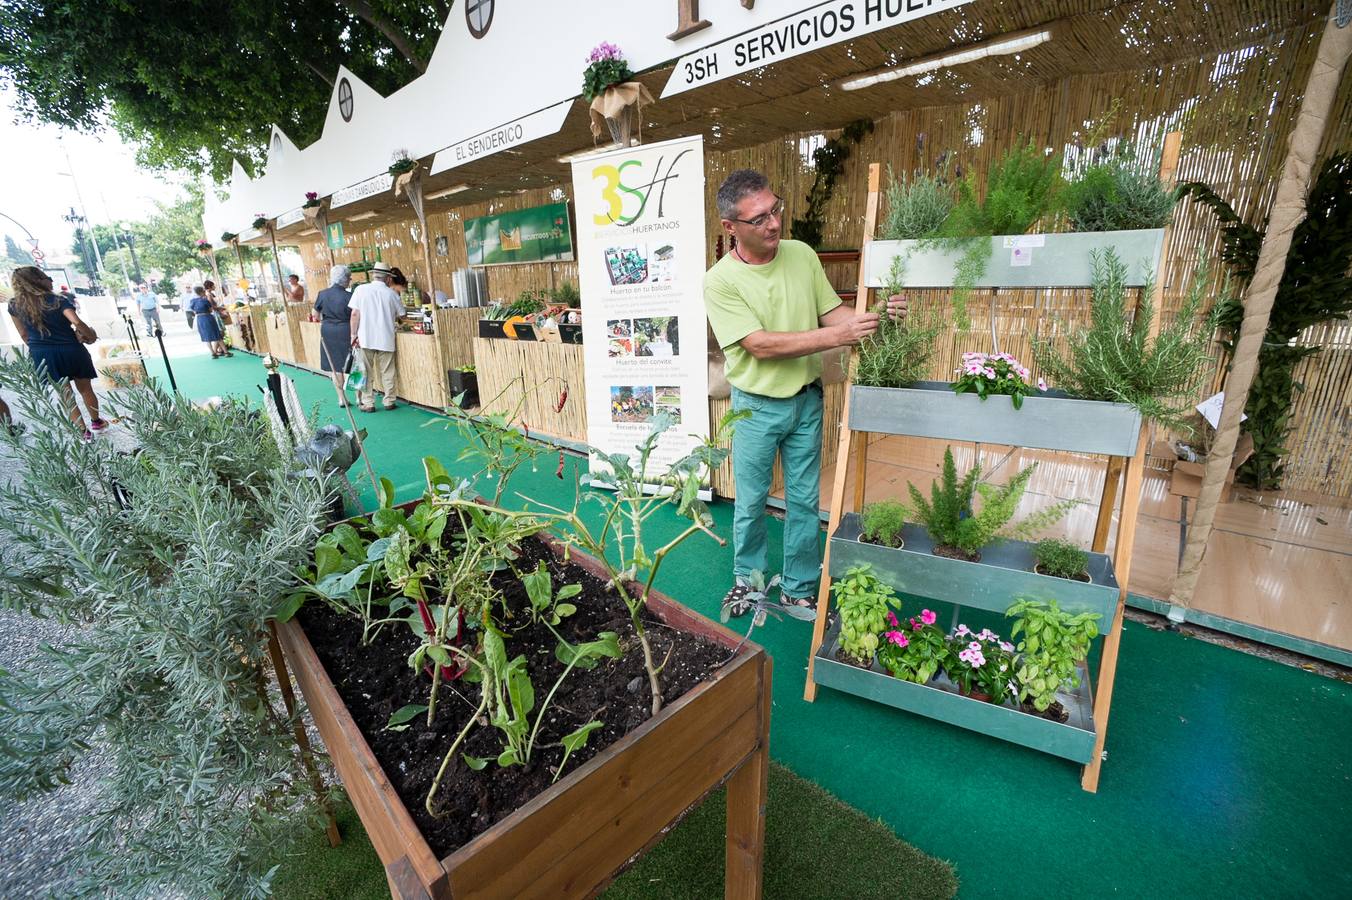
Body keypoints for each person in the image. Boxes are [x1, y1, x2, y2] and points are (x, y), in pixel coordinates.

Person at [704, 169, 906, 615]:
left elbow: (833, 313)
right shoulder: (719, 281)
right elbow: (760, 345)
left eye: (776, 209)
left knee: (803, 500)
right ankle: (750, 582)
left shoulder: (800, 255)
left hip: (807, 401)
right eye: (759, 219)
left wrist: (877, 317)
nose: (774, 223)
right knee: (752, 500)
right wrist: (839, 336)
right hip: (755, 406)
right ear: (731, 227)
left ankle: (799, 584)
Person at [7, 266, 108, 440]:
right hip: (71, 350)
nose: (51, 280)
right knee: (85, 389)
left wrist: (39, 348)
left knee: (65, 394)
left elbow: (23, 334)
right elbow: (75, 321)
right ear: (37, 280)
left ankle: (83, 433)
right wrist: (90, 336)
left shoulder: (14, 305)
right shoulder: (57, 300)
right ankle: (96, 421)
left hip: (43, 354)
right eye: (46, 277)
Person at [348, 261, 403, 412]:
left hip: (366, 337)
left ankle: (368, 403)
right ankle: (389, 401)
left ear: (373, 275)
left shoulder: (360, 290)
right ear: (388, 278)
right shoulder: (392, 294)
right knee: (388, 371)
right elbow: (401, 315)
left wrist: (353, 334)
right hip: (386, 337)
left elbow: (354, 314)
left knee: (365, 370)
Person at [314, 265, 354, 403]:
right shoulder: (349, 296)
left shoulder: (322, 294)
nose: (350, 280)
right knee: (351, 363)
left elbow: (316, 315)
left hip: (328, 330)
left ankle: (341, 398)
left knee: (335, 365)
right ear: (345, 280)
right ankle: (360, 398)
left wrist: (326, 320)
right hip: (346, 329)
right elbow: (355, 315)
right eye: (349, 278)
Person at [188, 285, 231, 358]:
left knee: (206, 337)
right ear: (201, 292)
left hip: (200, 319)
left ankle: (213, 353)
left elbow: (192, 310)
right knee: (217, 335)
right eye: (203, 291)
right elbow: (211, 310)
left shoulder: (192, 301)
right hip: (208, 317)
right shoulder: (205, 300)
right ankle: (226, 352)